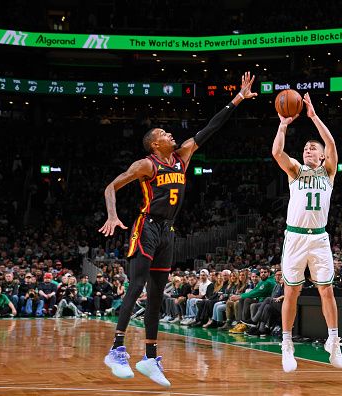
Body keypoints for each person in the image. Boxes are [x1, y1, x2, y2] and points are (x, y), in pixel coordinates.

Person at [99, 71, 257, 386]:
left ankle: (148, 358)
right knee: (136, 286)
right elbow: (110, 187)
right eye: (164, 133)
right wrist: (113, 216)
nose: (171, 134)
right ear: (154, 144)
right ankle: (116, 349)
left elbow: (211, 128)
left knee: (156, 295)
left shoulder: (183, 157)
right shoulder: (147, 165)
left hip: (168, 232)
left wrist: (237, 98)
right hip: (146, 226)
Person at [271, 92, 342, 372]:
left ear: (322, 155)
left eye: (313, 148)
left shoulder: (329, 172)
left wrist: (313, 116)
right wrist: (282, 125)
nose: (307, 151)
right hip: (296, 237)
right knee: (292, 291)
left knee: (327, 290)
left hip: (320, 238)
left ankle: (334, 341)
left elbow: (332, 143)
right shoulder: (295, 172)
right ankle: (287, 345)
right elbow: (277, 152)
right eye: (305, 149)